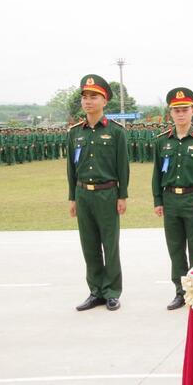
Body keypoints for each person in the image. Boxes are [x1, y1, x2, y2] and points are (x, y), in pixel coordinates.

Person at [67, 74, 129, 312]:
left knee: (110, 244)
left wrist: (122, 195)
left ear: (105, 101)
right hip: (83, 194)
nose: (88, 101)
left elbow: (122, 166)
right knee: (89, 245)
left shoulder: (116, 132)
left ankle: (112, 291)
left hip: (107, 194)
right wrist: (72, 197)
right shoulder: (75, 132)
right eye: (85, 97)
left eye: (94, 96)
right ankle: (95, 291)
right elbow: (71, 168)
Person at [152, 87, 193, 310]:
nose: (180, 114)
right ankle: (180, 292)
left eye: (184, 109)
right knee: (175, 248)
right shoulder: (162, 141)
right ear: (170, 113)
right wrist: (158, 200)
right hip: (171, 200)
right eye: (176, 110)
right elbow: (157, 174)